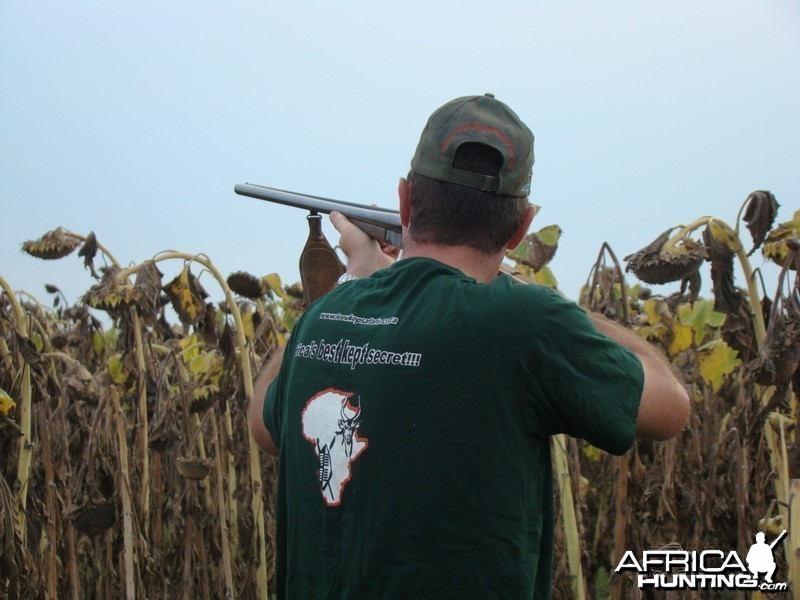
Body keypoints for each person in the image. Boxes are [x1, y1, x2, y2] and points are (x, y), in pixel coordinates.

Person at [249, 93, 690, 599]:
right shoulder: (525, 322)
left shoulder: (321, 319)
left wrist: (353, 282)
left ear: (406, 201)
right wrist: (528, 289)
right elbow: (671, 405)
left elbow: (265, 424)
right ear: (521, 228)